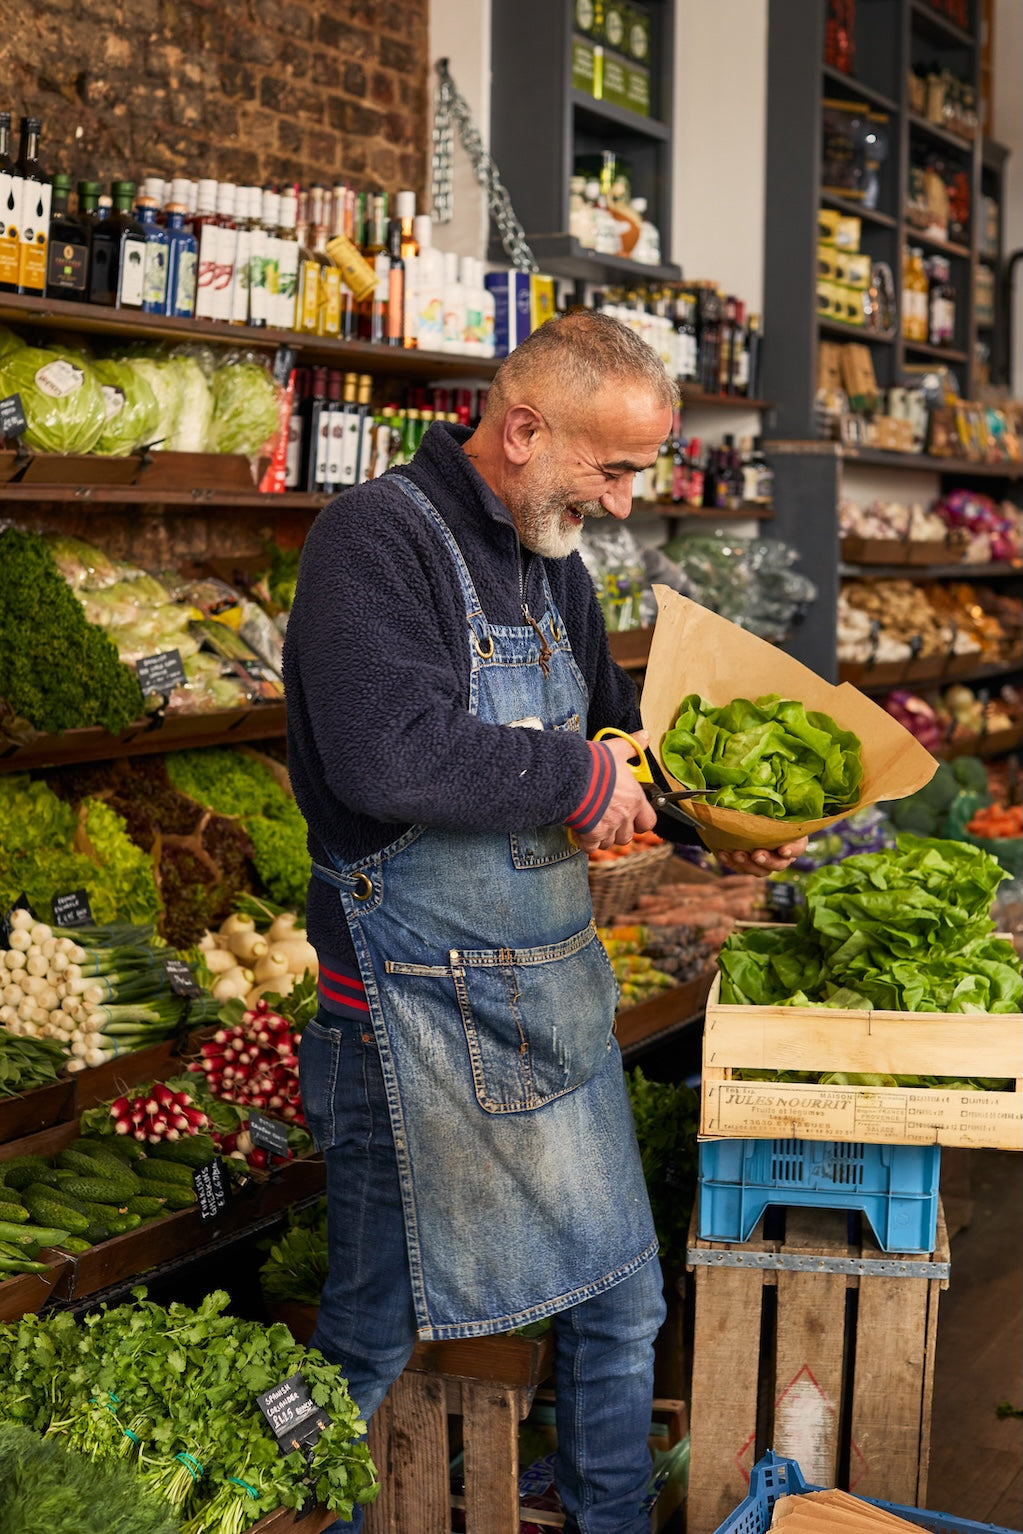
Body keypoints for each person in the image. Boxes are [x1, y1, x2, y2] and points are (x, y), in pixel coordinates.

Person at [283, 310, 806, 1534]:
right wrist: (572, 783)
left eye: (639, 472)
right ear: (522, 429)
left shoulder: (552, 561)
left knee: (623, 1307)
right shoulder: (375, 541)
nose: (625, 503)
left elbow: (618, 741)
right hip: (405, 1023)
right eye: (611, 469)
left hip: (547, 1003)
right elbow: (386, 755)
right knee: (363, 1338)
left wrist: (709, 824)